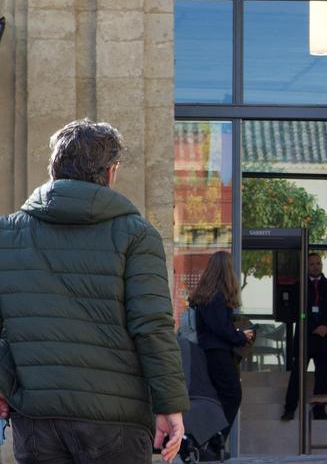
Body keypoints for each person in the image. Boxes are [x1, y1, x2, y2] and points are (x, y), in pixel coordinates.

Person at [0, 118, 189, 462]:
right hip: (116, 417)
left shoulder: (6, 234)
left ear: (53, 168)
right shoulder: (136, 235)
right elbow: (151, 327)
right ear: (111, 171)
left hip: (36, 417)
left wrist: (5, 382)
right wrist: (170, 405)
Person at [191, 251, 256, 457]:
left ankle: (211, 444)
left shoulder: (207, 294)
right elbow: (220, 328)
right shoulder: (216, 295)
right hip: (217, 352)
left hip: (210, 352)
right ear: (226, 270)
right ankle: (213, 443)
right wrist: (240, 336)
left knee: (219, 397)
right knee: (232, 394)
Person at [283, 252, 327, 421]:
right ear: (306, 266)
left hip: (325, 338)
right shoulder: (299, 286)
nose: (315, 266)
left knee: (322, 376)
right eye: (312, 264)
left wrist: (326, 326)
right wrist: (310, 326)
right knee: (297, 374)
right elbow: (297, 312)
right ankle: (289, 409)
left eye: (318, 263)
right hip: (306, 337)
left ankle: (319, 411)